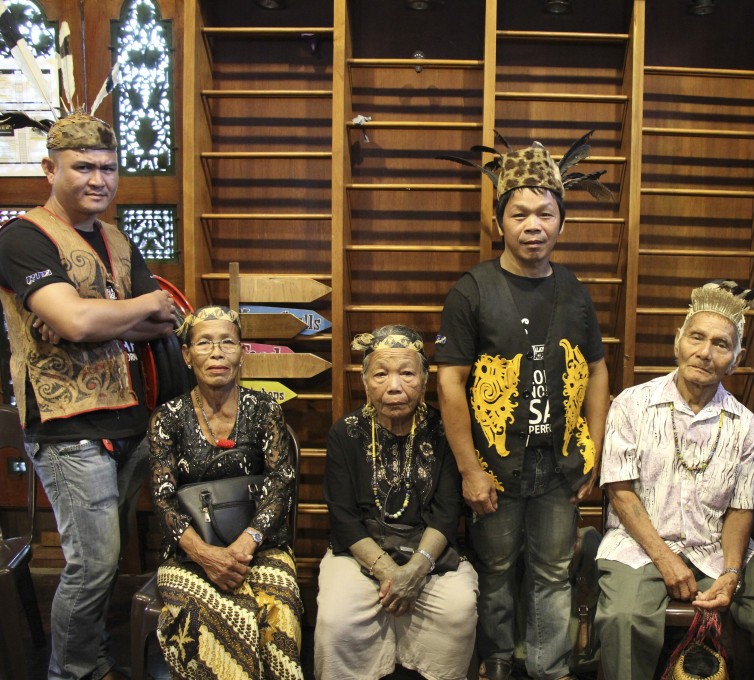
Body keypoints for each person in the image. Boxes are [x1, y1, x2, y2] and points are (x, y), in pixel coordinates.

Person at [0, 111, 177, 680]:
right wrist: (92, 318)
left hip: (129, 416)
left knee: (105, 558)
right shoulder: (23, 237)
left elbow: (164, 318)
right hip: (66, 424)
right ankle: (73, 671)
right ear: (50, 169)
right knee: (93, 564)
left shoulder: (117, 240)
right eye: (83, 167)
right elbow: (74, 323)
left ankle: (95, 659)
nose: (98, 179)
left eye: (107, 167)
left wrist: (99, 319)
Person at [436, 132, 612, 680]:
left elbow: (599, 368)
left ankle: (549, 669)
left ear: (562, 222)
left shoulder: (575, 290)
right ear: (499, 223)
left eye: (544, 213)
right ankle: (496, 665)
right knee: (496, 571)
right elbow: (449, 383)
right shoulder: (473, 290)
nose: (532, 224)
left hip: (559, 468)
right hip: (494, 467)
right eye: (519, 214)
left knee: (554, 573)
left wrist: (596, 449)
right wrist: (469, 469)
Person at [594, 281, 754, 680]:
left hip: (716, 545)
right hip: (640, 543)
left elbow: (740, 509)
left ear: (736, 358)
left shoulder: (747, 427)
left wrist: (732, 573)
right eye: (696, 337)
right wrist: (665, 560)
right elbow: (620, 492)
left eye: (721, 344)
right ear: (677, 341)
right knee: (623, 617)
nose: (705, 352)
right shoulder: (631, 404)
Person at [148, 306, 303, 679]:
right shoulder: (168, 418)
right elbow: (163, 498)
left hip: (259, 546)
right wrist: (206, 555)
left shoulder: (264, 408)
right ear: (186, 355)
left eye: (227, 342)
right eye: (204, 343)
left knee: (279, 599)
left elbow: (282, 481)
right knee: (211, 612)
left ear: (242, 353)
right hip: (190, 552)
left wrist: (245, 544)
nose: (217, 353)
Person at [315, 325, 478, 680]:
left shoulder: (443, 429)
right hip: (361, 552)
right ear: (364, 380)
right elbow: (343, 518)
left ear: (424, 379)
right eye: (381, 374)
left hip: (429, 551)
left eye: (406, 373)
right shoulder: (345, 433)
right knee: (336, 618)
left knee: (459, 609)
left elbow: (447, 513)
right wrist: (391, 573)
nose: (394, 386)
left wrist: (416, 570)